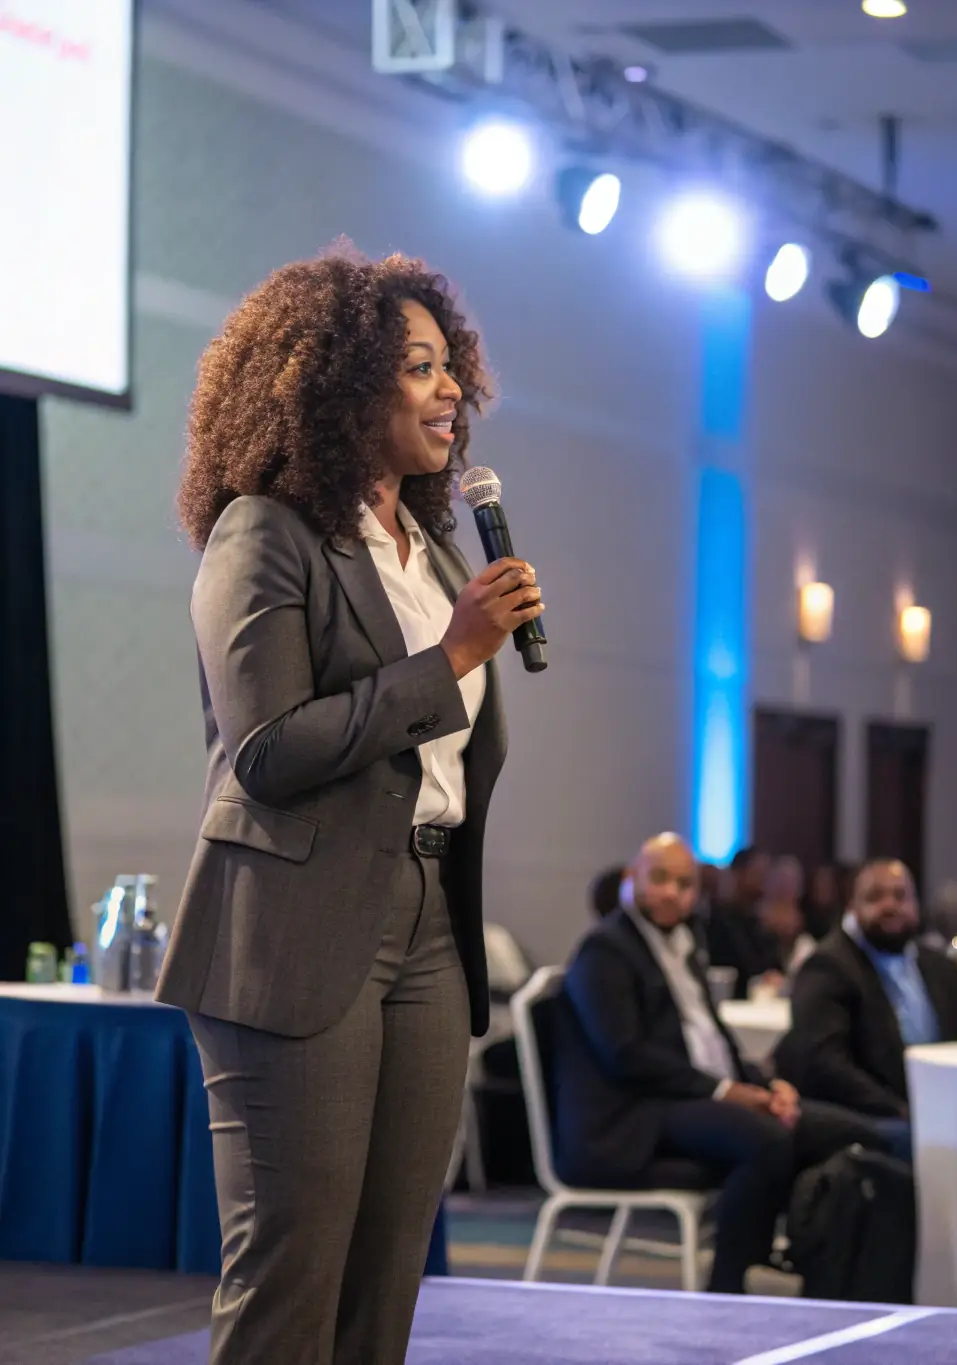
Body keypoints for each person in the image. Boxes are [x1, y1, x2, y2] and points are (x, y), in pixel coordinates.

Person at [154, 247, 544, 1365]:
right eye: (417, 368)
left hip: (427, 924)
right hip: (295, 931)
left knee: (386, 1285)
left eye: (450, 367)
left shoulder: (428, 546)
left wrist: (462, 644)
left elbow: (452, 751)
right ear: (340, 386)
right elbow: (267, 749)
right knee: (293, 1277)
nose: (448, 391)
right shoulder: (262, 533)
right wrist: (457, 653)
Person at [557, 833, 885, 1294]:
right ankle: (732, 1284)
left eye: (685, 883)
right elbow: (626, 1056)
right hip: (632, 1117)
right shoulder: (606, 951)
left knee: (847, 1134)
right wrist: (725, 1092)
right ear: (632, 880)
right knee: (766, 1138)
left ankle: (819, 1273)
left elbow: (712, 1042)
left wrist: (768, 1084)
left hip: (687, 1100)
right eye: (660, 879)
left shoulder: (686, 945)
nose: (673, 893)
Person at [776, 859, 957, 1163]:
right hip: (868, 1112)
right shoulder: (828, 967)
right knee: (928, 1143)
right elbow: (824, 1065)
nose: (890, 906)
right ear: (853, 906)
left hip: (940, 1104)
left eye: (900, 896)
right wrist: (900, 1109)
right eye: (876, 897)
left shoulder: (941, 969)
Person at [707, 846, 782, 998]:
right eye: (758, 873)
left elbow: (775, 966)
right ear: (738, 873)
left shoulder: (761, 921)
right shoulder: (718, 920)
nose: (764, 880)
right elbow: (744, 967)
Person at [759, 857, 817, 984]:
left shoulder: (804, 916)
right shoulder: (759, 915)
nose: (786, 888)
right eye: (781, 882)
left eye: (790, 883)